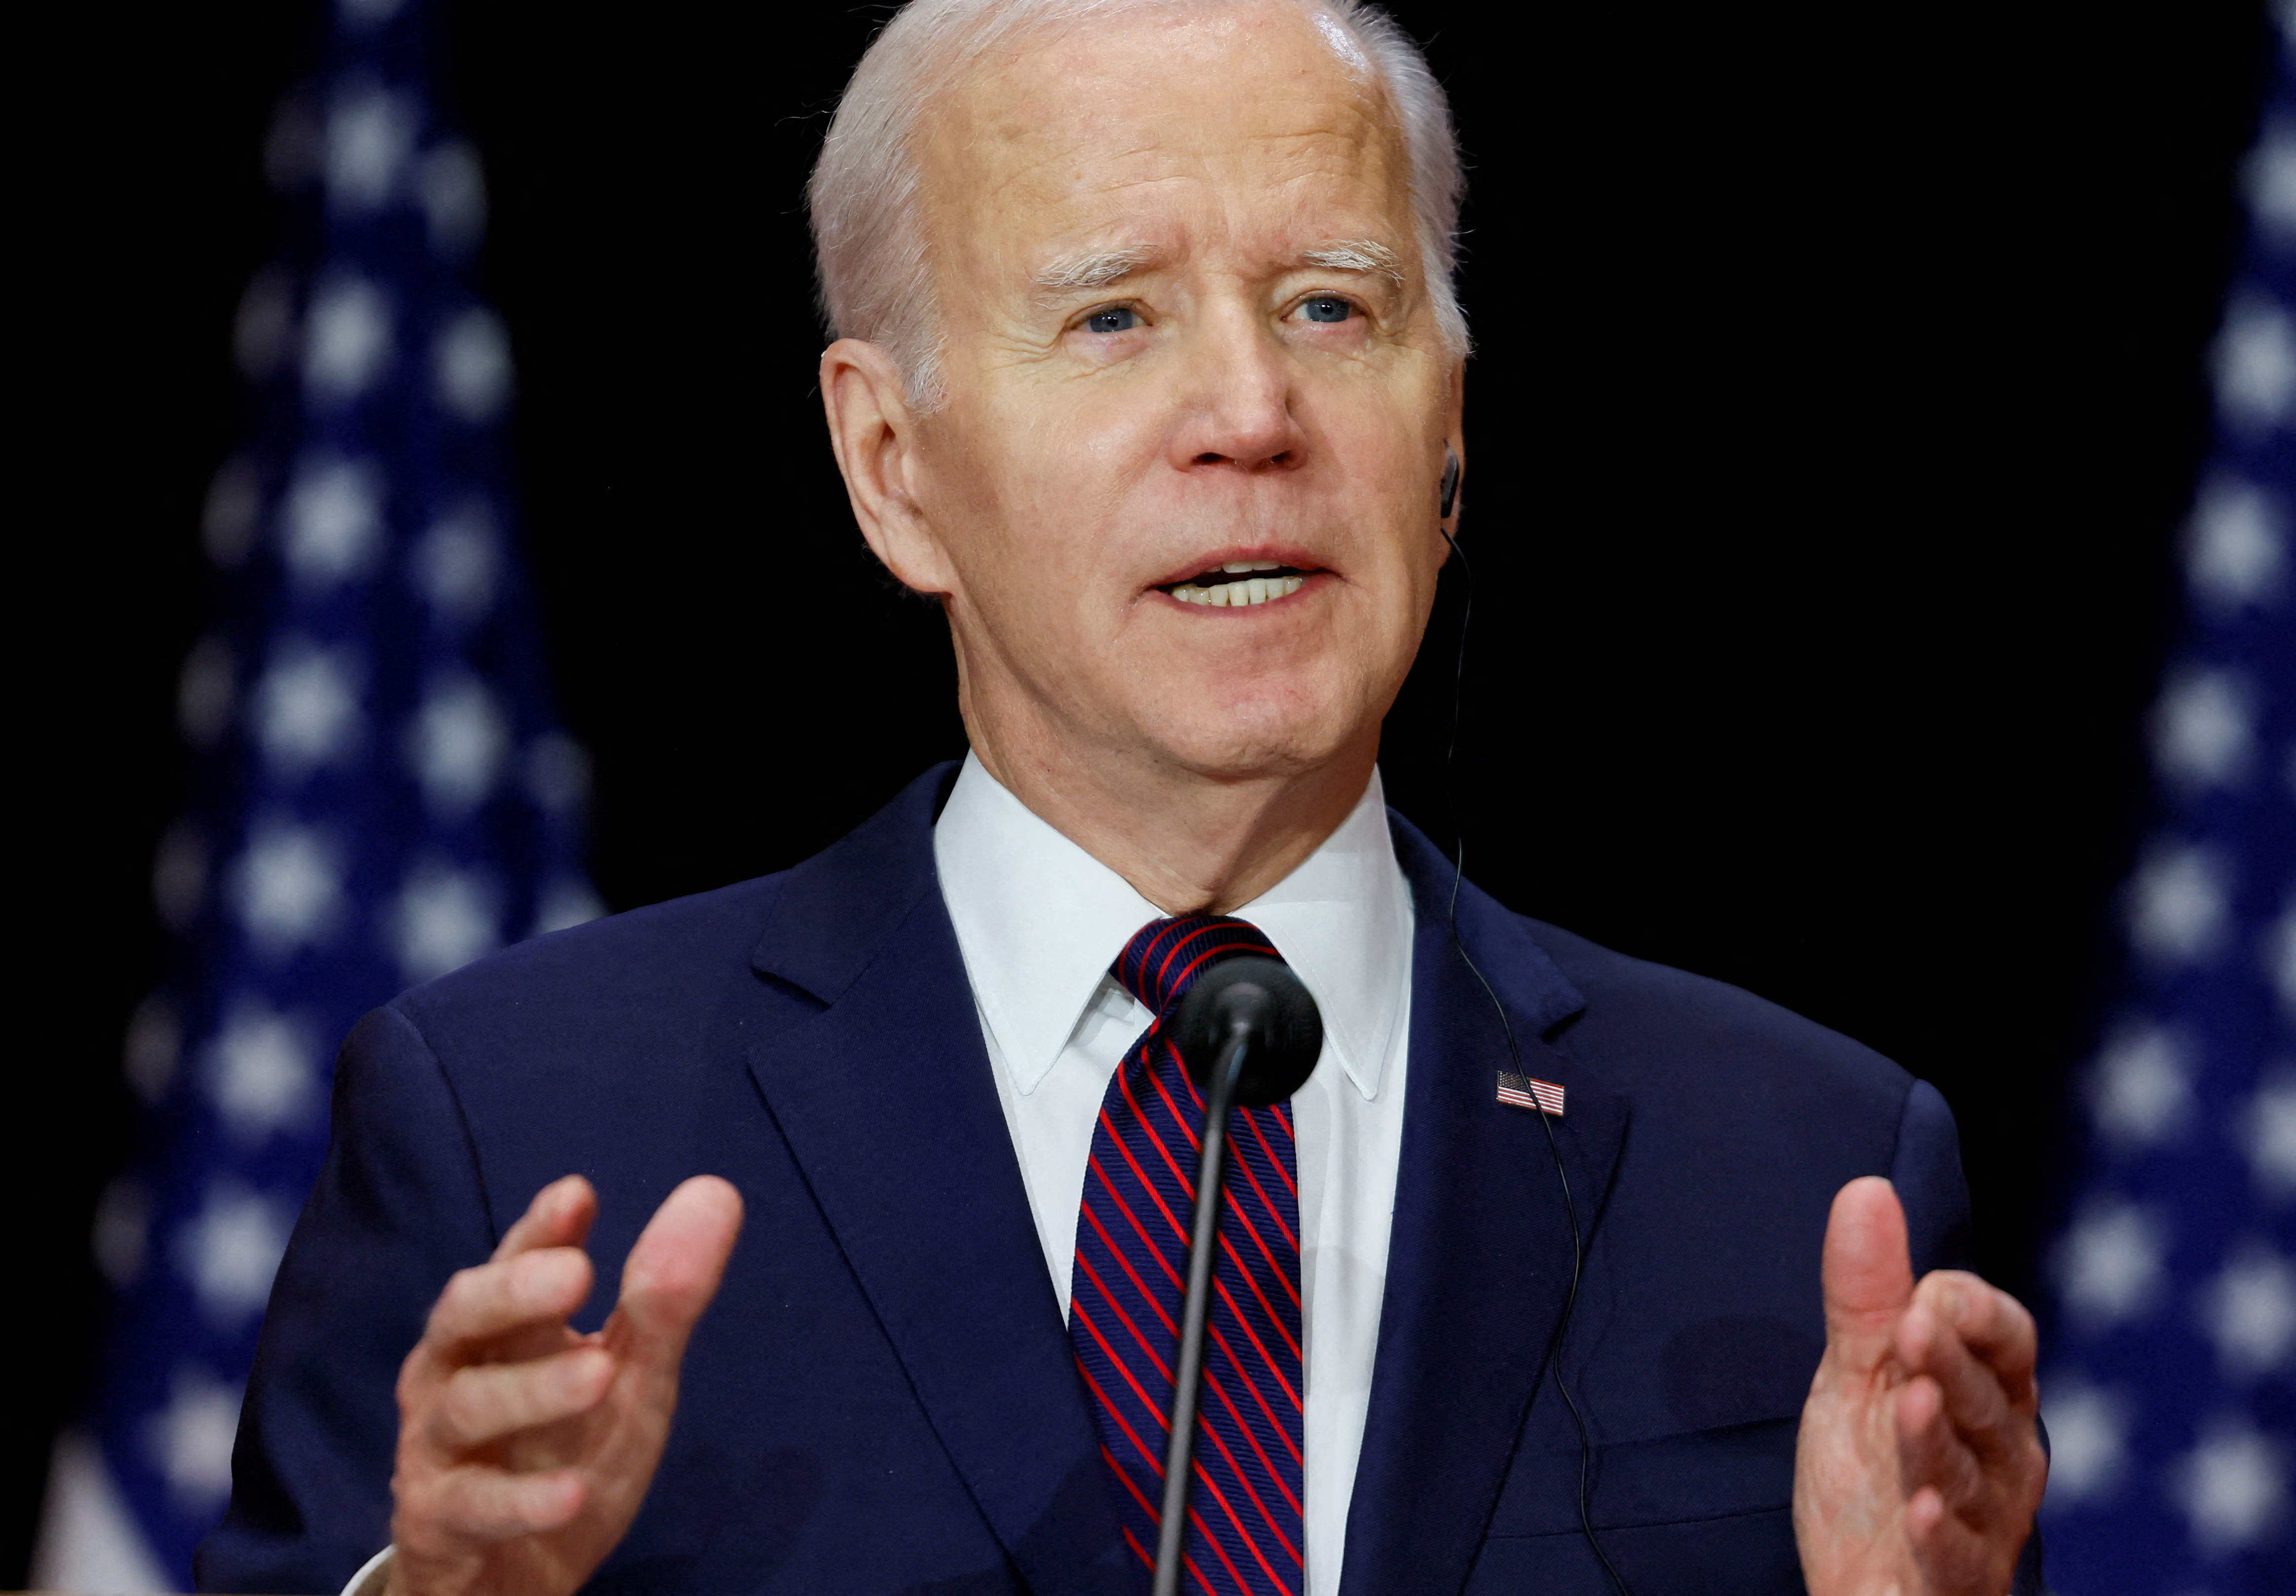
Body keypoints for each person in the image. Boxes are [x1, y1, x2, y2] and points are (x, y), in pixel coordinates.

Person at [198, 0, 2049, 1591]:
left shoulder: (1802, 1174)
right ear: (890, 464)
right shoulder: (517, 1128)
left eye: (1330, 307)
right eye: (1112, 320)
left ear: (1449, 431)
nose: (1251, 411)